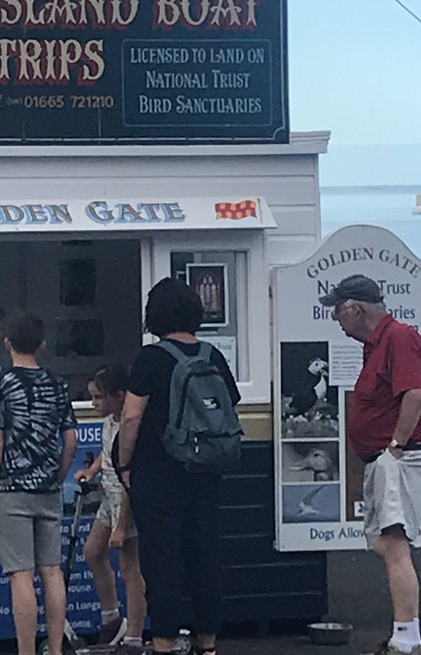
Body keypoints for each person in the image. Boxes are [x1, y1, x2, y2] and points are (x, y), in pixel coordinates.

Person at [116, 277, 240, 655]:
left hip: (157, 472)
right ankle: (208, 644)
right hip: (205, 470)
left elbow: (132, 418)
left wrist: (124, 464)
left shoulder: (150, 358)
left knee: (162, 560)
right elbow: (228, 406)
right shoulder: (212, 355)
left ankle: (165, 643)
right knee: (204, 555)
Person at [320, 275, 421, 655]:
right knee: (385, 543)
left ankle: (407, 641)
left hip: (401, 457)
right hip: (389, 458)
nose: (337, 320)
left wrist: (395, 446)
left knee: (392, 543)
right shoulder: (377, 344)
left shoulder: (398, 338)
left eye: (338, 311)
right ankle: (404, 636)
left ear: (355, 308)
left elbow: (416, 394)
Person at [0, 313, 78, 655]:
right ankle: (54, 650)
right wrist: (58, 475)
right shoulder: (57, 383)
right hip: (48, 489)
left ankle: (26, 652)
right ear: (42, 345)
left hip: (12, 488)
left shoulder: (1, 382)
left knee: (20, 574)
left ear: (7, 343)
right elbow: (71, 440)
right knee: (51, 571)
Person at [73, 364, 146, 655]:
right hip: (110, 498)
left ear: (119, 395)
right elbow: (109, 450)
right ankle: (111, 618)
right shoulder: (111, 421)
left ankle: (134, 638)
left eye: (98, 398)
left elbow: (131, 479)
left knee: (130, 568)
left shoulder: (132, 425)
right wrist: (92, 471)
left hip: (126, 501)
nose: (93, 404)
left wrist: (120, 527)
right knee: (92, 551)